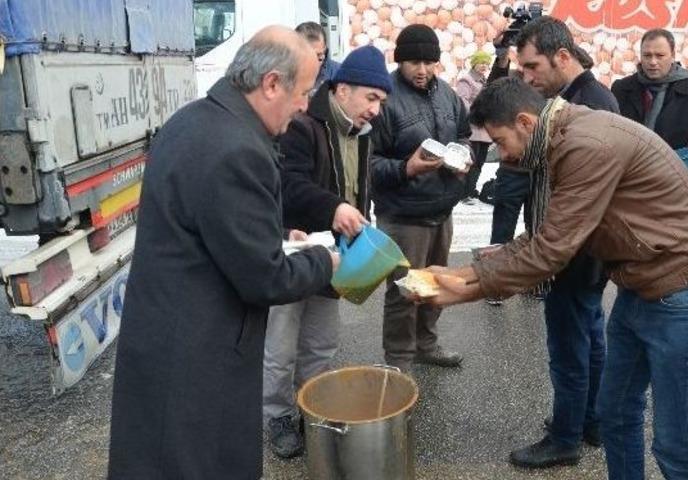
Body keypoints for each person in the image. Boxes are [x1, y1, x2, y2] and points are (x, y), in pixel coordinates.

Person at [426, 76, 688, 480]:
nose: (503, 155)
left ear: (525, 122)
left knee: (676, 440)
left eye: (501, 142)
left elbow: (551, 250)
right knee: (614, 413)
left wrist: (462, 290)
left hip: (685, 293)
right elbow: (553, 233)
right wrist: (459, 275)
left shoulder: (583, 144)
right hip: (643, 284)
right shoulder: (565, 135)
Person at [108, 27, 338, 479]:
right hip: (196, 358)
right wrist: (322, 260)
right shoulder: (237, 149)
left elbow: (212, 222)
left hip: (168, 338)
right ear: (271, 83)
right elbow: (266, 279)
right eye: (304, 92)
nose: (305, 106)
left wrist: (276, 235)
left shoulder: (197, 119)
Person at [480, 16, 620, 469]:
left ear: (562, 57)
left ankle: (565, 438)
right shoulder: (570, 99)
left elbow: (583, 202)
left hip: (574, 251)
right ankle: (589, 420)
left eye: (531, 66)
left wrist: (486, 275)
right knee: (589, 337)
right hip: (573, 244)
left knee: (569, 348)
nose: (526, 76)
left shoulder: (589, 107)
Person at [263, 45, 392, 459]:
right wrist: (334, 208)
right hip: (293, 250)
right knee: (280, 345)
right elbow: (288, 186)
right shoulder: (303, 126)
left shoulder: (362, 133)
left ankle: (312, 409)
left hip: (333, 256)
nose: (376, 110)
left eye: (381, 101)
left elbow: (358, 187)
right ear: (342, 89)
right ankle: (279, 416)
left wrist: (360, 222)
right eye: (371, 97)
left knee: (321, 343)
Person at [370, 24, 471, 372]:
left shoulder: (447, 95)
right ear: (400, 60)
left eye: (429, 62)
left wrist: (465, 156)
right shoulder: (383, 99)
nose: (423, 70)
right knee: (404, 290)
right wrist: (406, 169)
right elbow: (367, 163)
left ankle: (426, 343)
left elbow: (464, 134)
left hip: (442, 210)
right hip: (401, 216)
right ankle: (399, 359)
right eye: (414, 62)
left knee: (432, 283)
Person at [611, 29, 688, 164]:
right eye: (647, 55)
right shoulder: (622, 89)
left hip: (678, 169)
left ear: (673, 55)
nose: (653, 62)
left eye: (660, 55)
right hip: (631, 169)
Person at [455, 50, 493, 203]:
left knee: (479, 162)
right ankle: (464, 193)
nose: (484, 66)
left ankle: (470, 190)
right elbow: (462, 102)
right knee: (470, 161)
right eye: (482, 62)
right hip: (472, 128)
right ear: (474, 63)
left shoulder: (485, 81)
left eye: (487, 63)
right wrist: (478, 113)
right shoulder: (466, 80)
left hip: (484, 129)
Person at [296, 21, 341, 94]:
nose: (314, 63)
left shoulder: (339, 73)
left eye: (319, 56)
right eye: (308, 56)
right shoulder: (285, 74)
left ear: (324, 48)